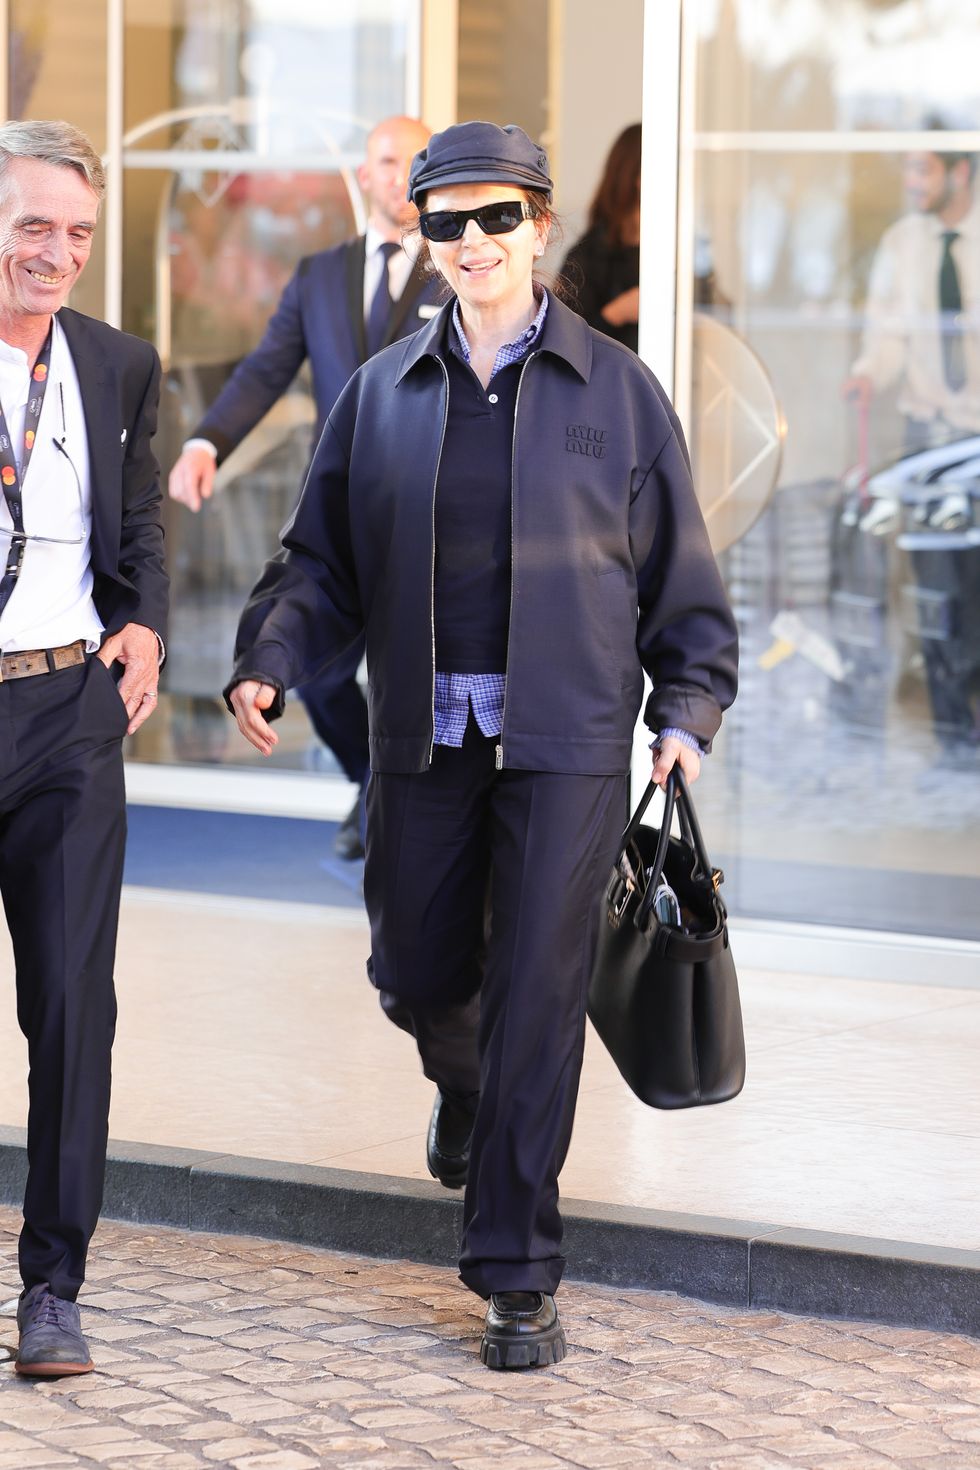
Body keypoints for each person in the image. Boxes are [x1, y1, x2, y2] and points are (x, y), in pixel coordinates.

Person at [225, 121, 737, 1370]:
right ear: (423, 236)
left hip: (563, 738)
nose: (470, 243)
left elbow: (680, 574)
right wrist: (269, 658)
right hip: (422, 732)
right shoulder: (381, 393)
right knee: (410, 969)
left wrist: (684, 710)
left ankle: (516, 1271)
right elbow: (320, 562)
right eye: (445, 222)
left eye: (493, 217)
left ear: (539, 225)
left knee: (538, 999)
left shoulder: (616, 391)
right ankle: (461, 1087)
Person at [0, 120, 168, 1376]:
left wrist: (145, 627)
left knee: (71, 1011)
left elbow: (140, 520)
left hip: (66, 718)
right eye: (31, 227)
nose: (55, 253)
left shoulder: (115, 366)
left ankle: (54, 1288)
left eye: (76, 233)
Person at [169, 116, 440, 858]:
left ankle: (404, 808)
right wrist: (206, 441)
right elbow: (265, 369)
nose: (400, 174)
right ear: (365, 175)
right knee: (318, 676)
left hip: (431, 518)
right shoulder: (320, 276)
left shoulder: (456, 272)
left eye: (416, 161)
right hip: (343, 517)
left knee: (411, 678)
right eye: (387, 160)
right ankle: (372, 782)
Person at [843, 129, 980, 755]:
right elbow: (888, 336)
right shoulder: (903, 243)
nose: (913, 185)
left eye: (923, 171)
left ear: (959, 173)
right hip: (929, 434)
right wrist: (869, 373)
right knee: (939, 582)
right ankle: (955, 732)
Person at [560, 123, 642, 353]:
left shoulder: (680, 251)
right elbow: (564, 342)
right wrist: (617, 313)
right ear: (634, 176)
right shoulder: (587, 257)